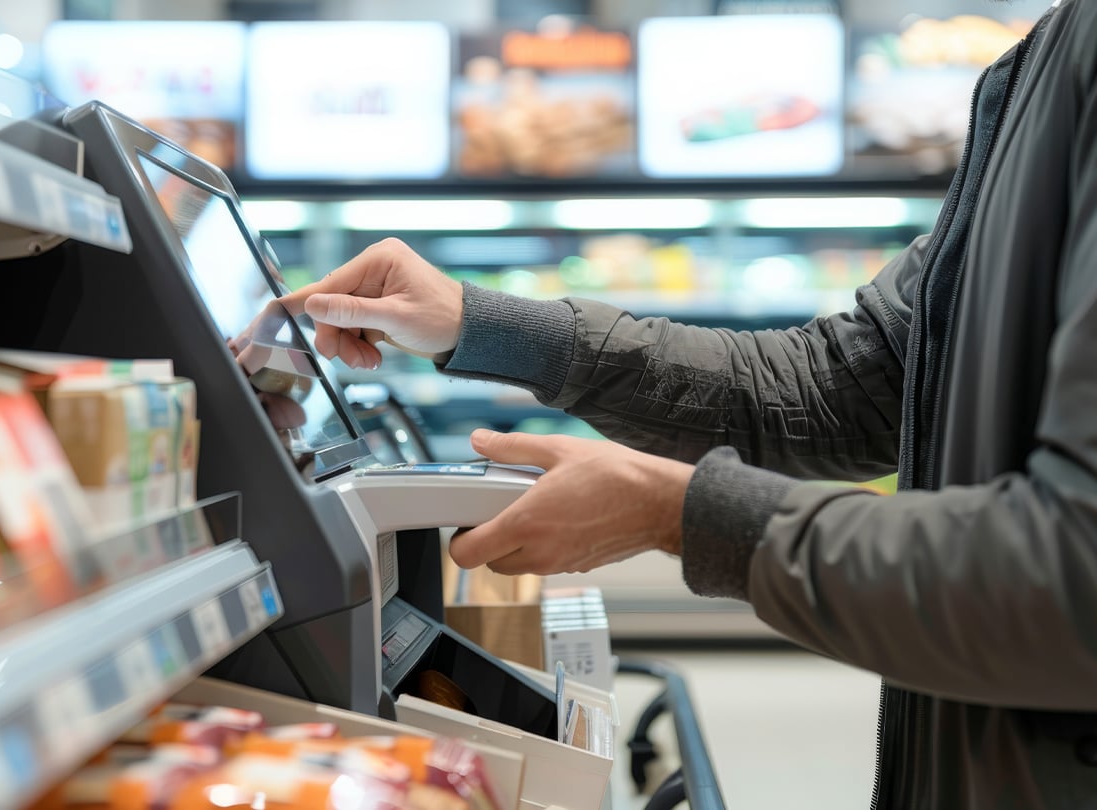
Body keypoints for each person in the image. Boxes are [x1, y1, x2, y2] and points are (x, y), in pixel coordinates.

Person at [282, 1, 1097, 806]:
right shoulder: (1058, 47)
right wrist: (482, 324)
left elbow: (1072, 576)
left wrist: (673, 512)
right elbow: (836, 385)